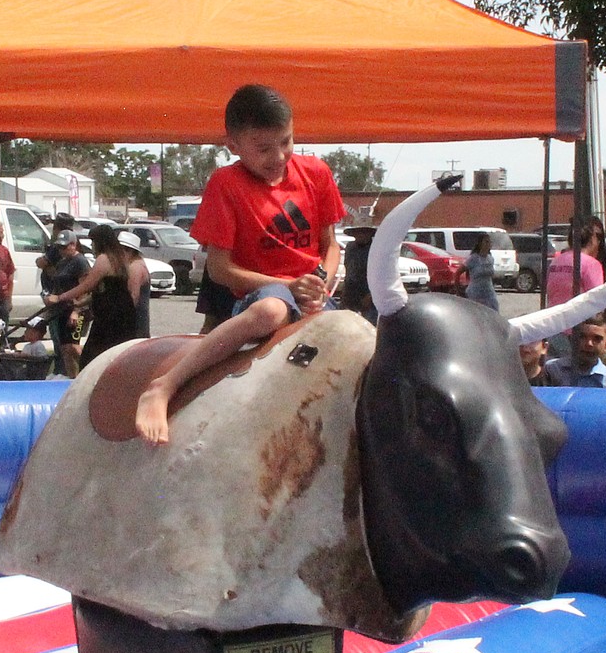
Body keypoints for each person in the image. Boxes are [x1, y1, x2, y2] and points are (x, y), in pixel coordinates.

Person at [135, 84, 344, 445]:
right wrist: (290, 286)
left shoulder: (316, 173)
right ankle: (164, 385)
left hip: (314, 293)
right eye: (263, 148)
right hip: (265, 292)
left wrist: (322, 279)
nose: (278, 156)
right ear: (233, 146)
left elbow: (331, 245)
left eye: (286, 141)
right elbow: (219, 269)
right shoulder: (226, 184)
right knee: (271, 311)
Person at [46, 225, 150, 371]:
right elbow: (110, 290)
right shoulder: (120, 260)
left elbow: (87, 285)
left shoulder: (104, 259)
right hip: (122, 317)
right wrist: (83, 302)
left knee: (91, 359)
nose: (92, 246)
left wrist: (59, 297)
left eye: (93, 242)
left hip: (109, 318)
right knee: (115, 358)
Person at [545, 218, 605, 356]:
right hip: (577, 332)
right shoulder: (591, 264)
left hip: (553, 326)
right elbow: (598, 302)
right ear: (592, 239)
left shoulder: (556, 261)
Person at [37, 228, 90, 377]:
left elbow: (85, 288)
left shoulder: (80, 262)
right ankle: (71, 377)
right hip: (61, 310)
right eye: (59, 247)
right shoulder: (62, 262)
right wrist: (50, 297)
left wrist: (76, 310)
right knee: (65, 348)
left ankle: (90, 370)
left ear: (73, 245)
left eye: (64, 246)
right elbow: (57, 286)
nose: (61, 250)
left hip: (77, 311)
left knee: (73, 346)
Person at [542, 315, 606, 387]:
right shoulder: (553, 370)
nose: (589, 344)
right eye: (582, 337)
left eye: (597, 339)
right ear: (571, 340)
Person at [340, 225, 378, 323]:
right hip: (350, 294)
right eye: (358, 232)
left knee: (369, 325)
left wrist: (370, 295)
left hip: (368, 293)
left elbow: (378, 275)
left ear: (370, 234)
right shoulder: (350, 247)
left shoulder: (375, 249)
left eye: (364, 232)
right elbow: (348, 269)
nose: (361, 235)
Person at [460, 233, 500, 310]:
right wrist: (459, 290)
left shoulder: (490, 258)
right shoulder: (473, 258)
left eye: (489, 242)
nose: (488, 244)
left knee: (493, 313)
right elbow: (458, 272)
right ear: (480, 243)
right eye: (486, 242)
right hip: (476, 294)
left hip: (489, 293)